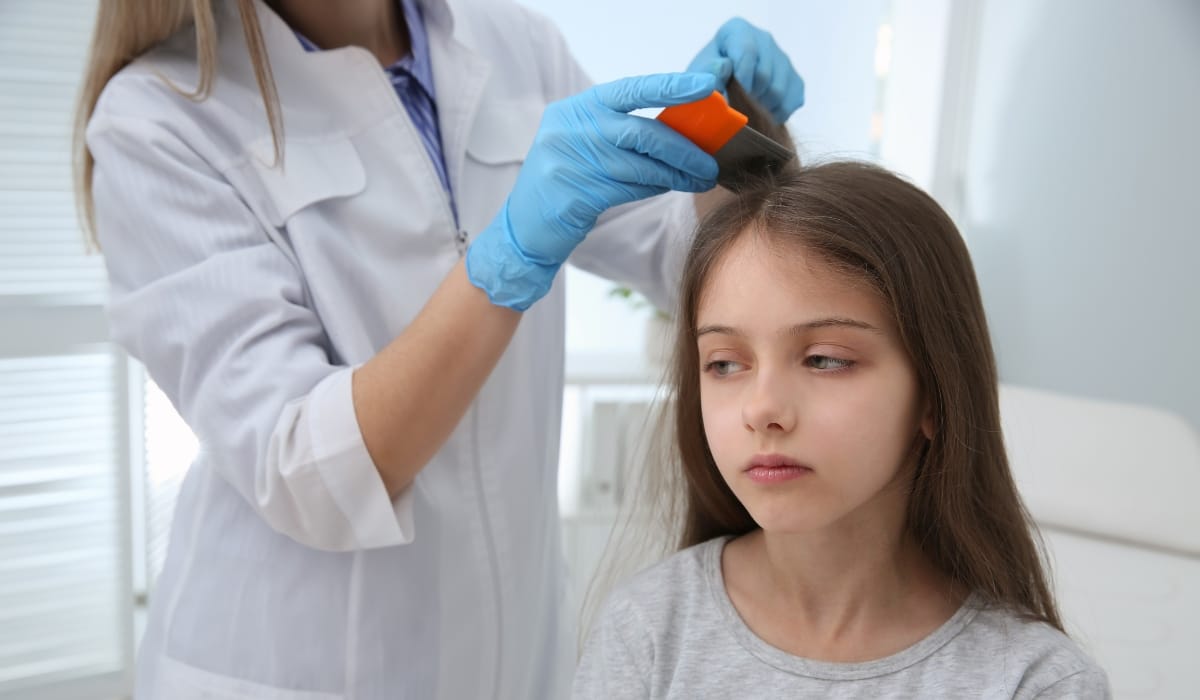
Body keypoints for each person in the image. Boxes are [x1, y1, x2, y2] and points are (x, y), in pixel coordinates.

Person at [71, 0, 804, 697]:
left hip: (514, 655)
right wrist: (507, 257)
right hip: (300, 663)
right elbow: (307, 470)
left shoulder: (515, 44)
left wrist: (732, 140)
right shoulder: (160, 116)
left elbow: (681, 259)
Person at [570, 86, 1111, 698]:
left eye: (825, 359)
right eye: (724, 364)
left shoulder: (1034, 681)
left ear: (933, 396)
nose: (763, 409)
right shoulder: (648, 631)